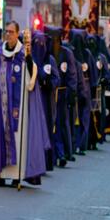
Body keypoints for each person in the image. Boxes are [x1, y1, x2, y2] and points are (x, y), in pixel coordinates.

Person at [0, 22, 50, 187]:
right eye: (6, 32)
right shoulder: (0, 54)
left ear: (17, 33)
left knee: (19, 138)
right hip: (2, 107)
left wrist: (29, 73)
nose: (8, 35)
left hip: (19, 107)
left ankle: (18, 175)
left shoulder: (23, 54)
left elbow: (33, 74)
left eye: (11, 32)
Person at [46, 26, 77, 166]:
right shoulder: (46, 54)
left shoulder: (66, 53)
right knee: (50, 124)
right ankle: (53, 155)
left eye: (57, 40)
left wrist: (71, 92)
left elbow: (71, 74)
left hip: (62, 94)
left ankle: (61, 153)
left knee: (60, 125)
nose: (55, 43)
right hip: (49, 94)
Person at [31, 30, 60, 173]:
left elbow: (56, 78)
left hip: (46, 101)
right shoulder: (29, 59)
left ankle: (47, 162)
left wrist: (49, 84)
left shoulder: (50, 60)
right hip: (32, 99)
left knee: (47, 130)